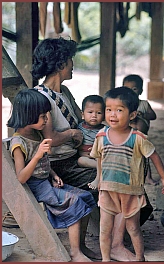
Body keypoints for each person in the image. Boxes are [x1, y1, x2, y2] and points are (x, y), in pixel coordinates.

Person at [7, 88, 97, 262]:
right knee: (74, 202)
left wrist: (53, 174)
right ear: (28, 115)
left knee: (85, 196)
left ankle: (81, 246)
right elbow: (21, 177)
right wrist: (38, 154)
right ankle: (75, 252)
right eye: (42, 116)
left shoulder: (37, 133)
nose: (46, 120)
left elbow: (44, 163)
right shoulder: (19, 143)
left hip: (46, 181)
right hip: (35, 186)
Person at [31, 37, 99, 259]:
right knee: (97, 179)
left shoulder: (65, 92)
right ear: (61, 65)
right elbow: (50, 137)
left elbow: (79, 120)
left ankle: (87, 243)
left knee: (104, 173)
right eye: (70, 60)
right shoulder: (41, 97)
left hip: (73, 157)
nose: (73, 65)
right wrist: (72, 134)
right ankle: (88, 244)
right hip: (58, 164)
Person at [90, 87, 164, 261]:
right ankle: (105, 259)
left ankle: (140, 258)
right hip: (108, 191)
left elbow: (154, 156)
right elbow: (99, 159)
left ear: (132, 115)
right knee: (105, 229)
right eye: (108, 109)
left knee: (133, 228)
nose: (112, 115)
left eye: (119, 110)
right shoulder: (101, 136)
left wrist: (163, 178)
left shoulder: (137, 138)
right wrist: (99, 179)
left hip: (131, 191)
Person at [123, 74, 158, 186]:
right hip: (128, 138)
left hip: (142, 138)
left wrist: (143, 114)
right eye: (127, 89)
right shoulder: (123, 105)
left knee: (144, 157)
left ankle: (148, 178)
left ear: (141, 91)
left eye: (134, 89)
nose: (131, 92)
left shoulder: (143, 104)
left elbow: (153, 116)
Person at [77, 95, 105, 189]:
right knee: (80, 161)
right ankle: (102, 168)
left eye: (99, 113)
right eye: (90, 112)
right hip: (86, 157)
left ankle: (99, 175)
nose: (94, 115)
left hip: (99, 156)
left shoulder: (104, 130)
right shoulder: (79, 127)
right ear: (82, 114)